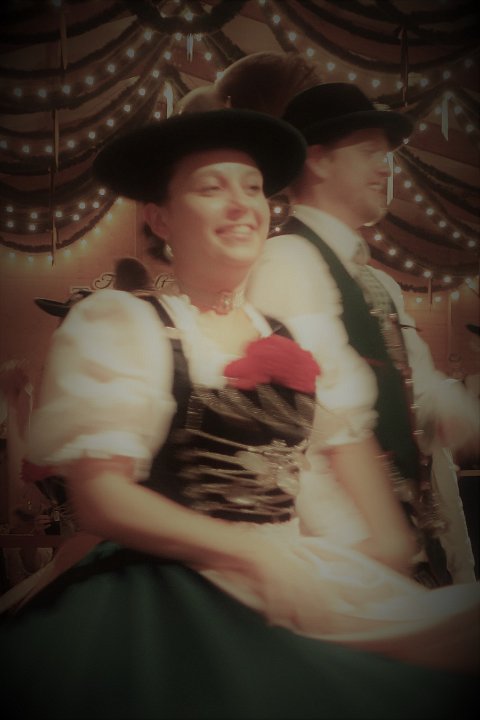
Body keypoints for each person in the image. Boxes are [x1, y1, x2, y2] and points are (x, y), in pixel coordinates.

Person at [0, 101, 478, 720]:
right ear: (159, 217)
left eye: (252, 188)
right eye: (211, 188)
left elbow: (352, 452)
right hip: (172, 584)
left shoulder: (289, 334)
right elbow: (102, 499)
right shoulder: (122, 322)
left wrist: (379, 553)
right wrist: (249, 554)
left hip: (290, 569)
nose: (241, 205)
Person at [215, 52, 478, 586]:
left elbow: (417, 395)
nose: (386, 168)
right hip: (354, 563)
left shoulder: (377, 284)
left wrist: (451, 408)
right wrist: (358, 562)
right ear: (318, 161)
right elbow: (304, 435)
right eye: (369, 152)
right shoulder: (287, 262)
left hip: (410, 551)